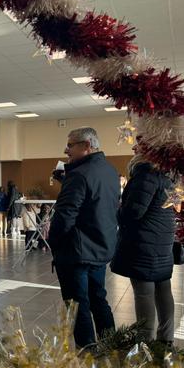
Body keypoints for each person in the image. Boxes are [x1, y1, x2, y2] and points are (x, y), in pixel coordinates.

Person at [48, 127, 119, 348]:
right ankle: (111, 347)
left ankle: (88, 354)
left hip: (76, 252)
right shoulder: (109, 171)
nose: (65, 150)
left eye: (70, 145)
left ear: (86, 146)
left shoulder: (78, 175)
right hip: (100, 247)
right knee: (99, 300)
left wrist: (55, 243)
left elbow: (65, 216)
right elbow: (93, 203)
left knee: (78, 306)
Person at [110, 154, 176, 345]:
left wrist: (118, 209)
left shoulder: (144, 177)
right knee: (164, 290)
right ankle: (166, 338)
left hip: (144, 244)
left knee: (144, 292)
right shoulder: (167, 178)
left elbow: (133, 212)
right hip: (163, 242)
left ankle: (145, 340)